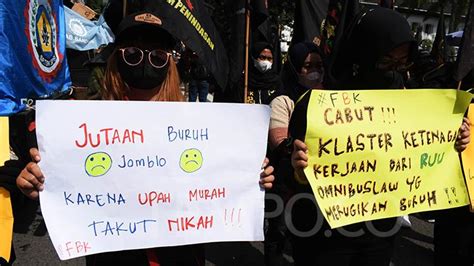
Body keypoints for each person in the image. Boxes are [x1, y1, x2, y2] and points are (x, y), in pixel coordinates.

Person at [15, 11, 275, 266]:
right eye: (132, 53)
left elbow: (222, 175)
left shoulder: (196, 127)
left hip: (179, 253)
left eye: (158, 55)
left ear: (169, 64)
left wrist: (252, 176)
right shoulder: (83, 128)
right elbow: (61, 184)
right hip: (115, 255)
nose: (145, 62)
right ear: (117, 60)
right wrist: (35, 180)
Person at [288, 7, 470, 266]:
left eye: (401, 63)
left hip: (379, 236)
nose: (393, 72)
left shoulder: (408, 101)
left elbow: (424, 152)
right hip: (323, 235)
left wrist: (454, 140)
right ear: (363, 53)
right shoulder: (316, 106)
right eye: (386, 62)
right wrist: (297, 167)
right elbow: (285, 174)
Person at [265, 41, 324, 266]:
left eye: (319, 65)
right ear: (294, 67)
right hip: (286, 180)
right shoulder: (283, 100)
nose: (315, 71)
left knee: (307, 234)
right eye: (307, 66)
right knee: (279, 231)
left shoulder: (330, 98)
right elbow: (278, 140)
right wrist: (293, 149)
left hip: (315, 182)